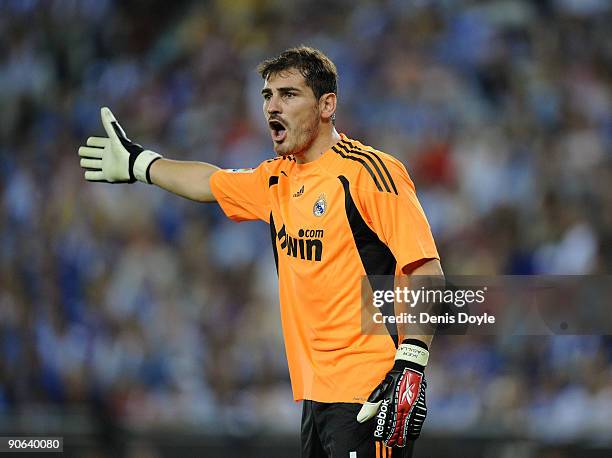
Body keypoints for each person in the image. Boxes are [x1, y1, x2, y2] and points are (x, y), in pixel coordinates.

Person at [78, 46, 443, 458]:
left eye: (288, 94)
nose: (272, 106)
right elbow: (209, 182)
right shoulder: (276, 180)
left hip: (371, 391)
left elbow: (424, 266)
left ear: (327, 105)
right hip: (317, 397)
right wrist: (140, 164)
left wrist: (411, 363)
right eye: (267, 95)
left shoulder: (369, 173)